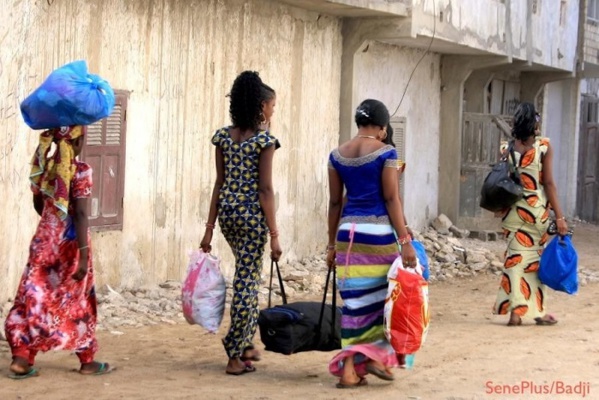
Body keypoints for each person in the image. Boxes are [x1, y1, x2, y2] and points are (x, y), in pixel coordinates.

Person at [4, 125, 113, 379]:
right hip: (70, 247)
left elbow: (38, 204)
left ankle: (22, 357)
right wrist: (84, 256)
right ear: (79, 141)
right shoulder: (81, 171)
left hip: (44, 242)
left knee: (33, 297)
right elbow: (83, 214)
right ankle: (87, 360)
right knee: (78, 300)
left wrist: (53, 221)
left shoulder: (47, 168)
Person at [326, 99, 416, 388]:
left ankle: (352, 369)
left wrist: (330, 246)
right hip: (377, 236)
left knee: (354, 303)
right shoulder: (387, 152)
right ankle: (376, 358)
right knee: (380, 301)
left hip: (347, 235)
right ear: (382, 128)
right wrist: (405, 240)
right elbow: (391, 199)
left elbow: (335, 203)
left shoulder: (336, 154)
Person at [200, 70, 283, 376]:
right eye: (272, 106)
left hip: (228, 217)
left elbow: (218, 184)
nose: (273, 112)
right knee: (247, 283)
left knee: (244, 275)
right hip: (251, 219)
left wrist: (209, 229)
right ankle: (235, 354)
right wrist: (274, 234)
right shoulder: (264, 141)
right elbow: (265, 189)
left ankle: (246, 344)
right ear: (261, 106)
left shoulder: (223, 137)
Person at [493, 102, 569, 326]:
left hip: (512, 212)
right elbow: (549, 183)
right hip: (536, 214)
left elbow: (502, 179)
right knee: (533, 262)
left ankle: (517, 312)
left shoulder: (506, 148)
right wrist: (560, 217)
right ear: (535, 123)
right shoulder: (544, 146)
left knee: (515, 260)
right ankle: (536, 311)